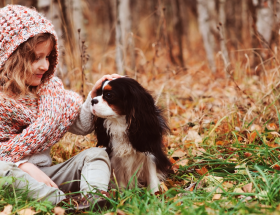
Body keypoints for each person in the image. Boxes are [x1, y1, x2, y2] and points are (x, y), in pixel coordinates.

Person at [0, 4, 119, 209]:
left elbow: (81, 125)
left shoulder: (50, 93)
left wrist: (93, 96)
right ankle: (60, 203)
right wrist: (23, 165)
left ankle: (93, 197)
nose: (45, 66)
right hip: (13, 175)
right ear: (9, 57)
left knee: (95, 155)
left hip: (49, 176)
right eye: (36, 58)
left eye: (47, 57)